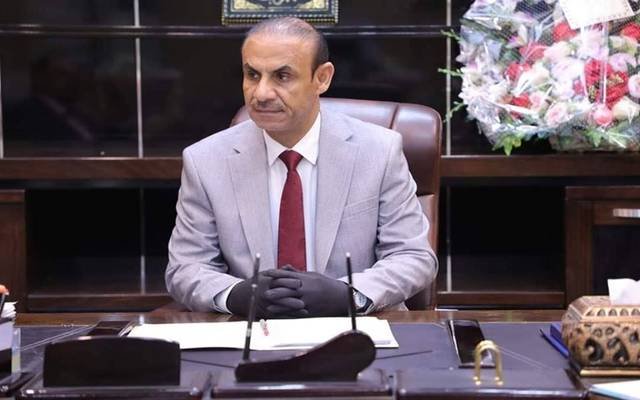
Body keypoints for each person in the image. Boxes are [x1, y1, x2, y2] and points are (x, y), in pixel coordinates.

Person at [166, 17, 437, 318]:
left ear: (322, 78)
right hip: (253, 332)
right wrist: (236, 295)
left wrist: (348, 295)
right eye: (252, 75)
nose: (261, 93)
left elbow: (413, 257)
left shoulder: (379, 151)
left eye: (282, 76)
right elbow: (185, 268)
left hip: (356, 330)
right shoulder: (205, 161)